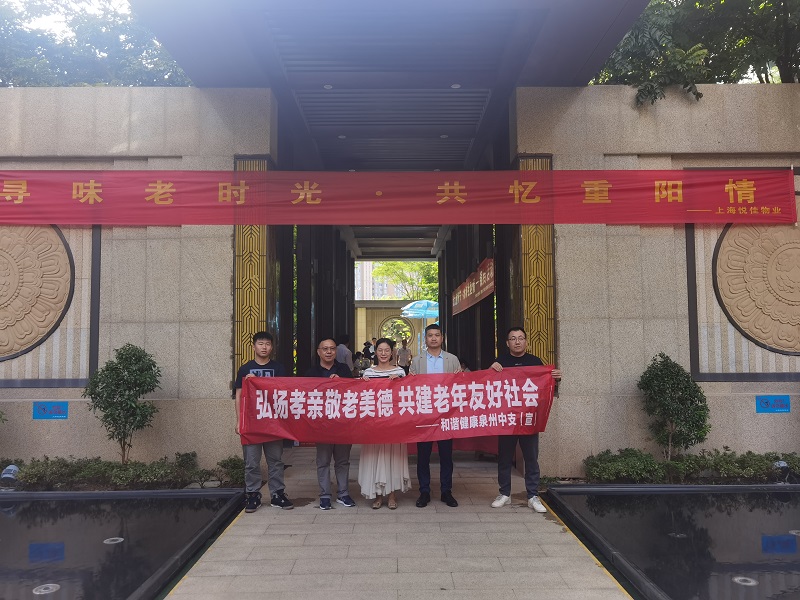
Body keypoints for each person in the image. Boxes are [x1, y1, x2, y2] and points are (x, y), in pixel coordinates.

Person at [489, 326, 562, 513]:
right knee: (504, 458)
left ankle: (532, 495)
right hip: (508, 420)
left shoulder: (535, 362)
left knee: (531, 458)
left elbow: (545, 386)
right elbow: (488, 385)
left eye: (521, 338)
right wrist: (490, 370)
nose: (517, 342)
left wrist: (555, 378)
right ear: (507, 343)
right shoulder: (501, 362)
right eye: (513, 338)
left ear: (526, 342)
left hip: (529, 418)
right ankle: (504, 494)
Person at [234, 331, 293, 512]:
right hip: (251, 423)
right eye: (260, 344)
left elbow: (284, 393)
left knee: (275, 461)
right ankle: (253, 494)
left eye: (267, 344)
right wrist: (239, 421)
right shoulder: (245, 369)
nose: (264, 347)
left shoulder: (279, 369)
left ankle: (277, 494)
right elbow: (239, 396)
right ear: (253, 347)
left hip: (273, 423)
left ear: (272, 347)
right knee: (251, 462)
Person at [409, 323, 460, 508]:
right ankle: (424, 491)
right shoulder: (417, 361)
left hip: (446, 415)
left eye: (437, 335)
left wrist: (460, 378)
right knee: (423, 456)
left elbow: (460, 386)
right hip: (425, 415)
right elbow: (410, 388)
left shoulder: (452, 359)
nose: (433, 338)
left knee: (446, 456)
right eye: (430, 335)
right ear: (425, 339)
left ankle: (446, 491)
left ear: (442, 338)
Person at [305, 337, 357, 510]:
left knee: (342, 461)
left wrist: (341, 382)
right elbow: (305, 396)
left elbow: (353, 392)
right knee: (323, 461)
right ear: (318, 352)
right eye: (325, 348)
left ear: (336, 351)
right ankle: (325, 496)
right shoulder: (311, 373)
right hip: (322, 425)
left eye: (332, 348)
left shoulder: (344, 369)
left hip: (343, 424)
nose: (329, 352)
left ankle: (343, 494)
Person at [359, 338, 411, 509]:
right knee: (375, 458)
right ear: (375, 352)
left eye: (387, 350)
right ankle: (377, 495)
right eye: (380, 350)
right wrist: (363, 384)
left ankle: (392, 495)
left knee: (392, 458)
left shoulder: (400, 372)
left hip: (393, 425)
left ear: (392, 352)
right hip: (373, 425)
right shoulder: (368, 373)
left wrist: (400, 382)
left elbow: (405, 396)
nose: (383, 353)